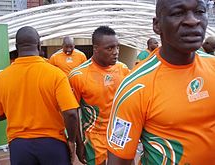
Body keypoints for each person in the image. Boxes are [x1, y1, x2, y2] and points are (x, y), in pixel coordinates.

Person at [107, 0, 215, 164]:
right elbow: (119, 160)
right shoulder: (135, 86)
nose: (193, 20)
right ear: (157, 25)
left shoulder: (213, 66)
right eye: (178, 13)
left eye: (200, 11)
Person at [0, 26, 80, 165]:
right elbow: (71, 113)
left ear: (16, 47)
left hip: (19, 146)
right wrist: (72, 141)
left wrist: (15, 106)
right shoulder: (55, 74)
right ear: (39, 45)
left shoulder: (1, 78)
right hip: (53, 144)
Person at [68, 26, 129, 165]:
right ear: (95, 48)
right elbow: (73, 112)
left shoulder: (124, 70)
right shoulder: (78, 76)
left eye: (117, 47)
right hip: (94, 138)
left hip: (120, 133)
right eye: (110, 48)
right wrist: (79, 143)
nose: (116, 52)